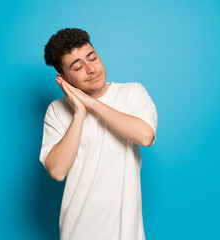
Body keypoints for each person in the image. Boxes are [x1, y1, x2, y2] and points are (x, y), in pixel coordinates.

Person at [40, 28, 158, 240]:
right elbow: (57, 171)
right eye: (77, 67)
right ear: (63, 78)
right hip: (77, 230)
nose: (90, 69)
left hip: (126, 232)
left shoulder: (131, 92)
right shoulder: (57, 111)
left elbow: (145, 136)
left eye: (92, 57)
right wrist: (79, 112)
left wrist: (92, 104)